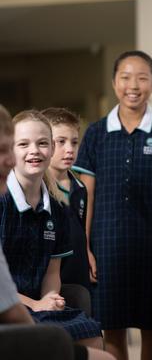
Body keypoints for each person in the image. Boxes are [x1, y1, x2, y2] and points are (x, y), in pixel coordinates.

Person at [72, 50, 152, 360]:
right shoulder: (97, 133)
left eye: (142, 78)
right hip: (106, 245)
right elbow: (86, 191)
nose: (133, 85)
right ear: (114, 83)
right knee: (112, 328)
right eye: (126, 77)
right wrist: (85, 244)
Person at [0, 105, 114, 360]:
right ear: (10, 151)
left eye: (42, 143)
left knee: (92, 333)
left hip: (37, 307)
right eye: (23, 144)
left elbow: (53, 272)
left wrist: (50, 297)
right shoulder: (3, 202)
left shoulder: (57, 209)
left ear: (50, 149)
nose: (34, 151)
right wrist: (36, 305)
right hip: (10, 309)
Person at [42, 107, 91, 291]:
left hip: (78, 276)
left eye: (74, 142)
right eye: (61, 142)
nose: (69, 149)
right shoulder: (39, 189)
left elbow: (80, 232)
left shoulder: (80, 188)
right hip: (50, 280)